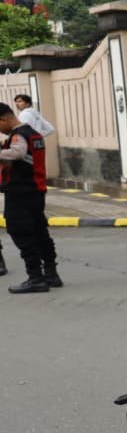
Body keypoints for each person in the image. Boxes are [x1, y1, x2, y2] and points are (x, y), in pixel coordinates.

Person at [0, 102, 58, 292]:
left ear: (4, 119)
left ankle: (35, 278)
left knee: (21, 232)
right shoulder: (34, 134)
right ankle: (51, 273)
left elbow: (18, 152)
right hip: (35, 191)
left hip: (20, 192)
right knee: (40, 232)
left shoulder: (19, 135)